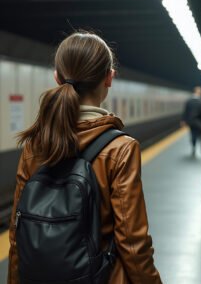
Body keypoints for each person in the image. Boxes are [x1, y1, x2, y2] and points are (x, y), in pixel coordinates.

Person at [7, 32, 162, 284]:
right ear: (109, 78)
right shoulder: (121, 148)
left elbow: (17, 232)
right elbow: (132, 244)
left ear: (57, 77)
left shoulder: (35, 145)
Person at [181, 86, 201, 156]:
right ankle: (198, 146)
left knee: (193, 134)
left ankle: (194, 146)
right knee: (199, 134)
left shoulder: (189, 101)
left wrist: (183, 120)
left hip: (191, 122)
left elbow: (185, 111)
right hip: (199, 122)